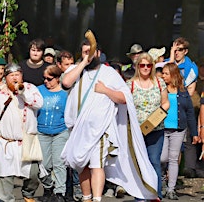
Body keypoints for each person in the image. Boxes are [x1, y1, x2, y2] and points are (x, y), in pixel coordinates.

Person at [61, 41, 159, 201]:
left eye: (91, 52)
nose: (89, 55)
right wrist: (84, 62)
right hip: (78, 129)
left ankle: (97, 198)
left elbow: (124, 98)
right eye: (85, 52)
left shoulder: (109, 73)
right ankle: (86, 198)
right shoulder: (75, 70)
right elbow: (65, 83)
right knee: (81, 164)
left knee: (96, 164)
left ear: (99, 53)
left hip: (100, 129)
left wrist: (105, 90)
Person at [0, 63, 44, 202]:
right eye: (11, 75)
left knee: (33, 173)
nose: (15, 77)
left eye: (17, 74)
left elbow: (38, 103)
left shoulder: (30, 88)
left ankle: (28, 193)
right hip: (5, 142)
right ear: (6, 77)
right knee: (4, 176)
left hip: (26, 142)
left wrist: (22, 93)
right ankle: (6, 199)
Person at [126, 52, 169, 199]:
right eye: (142, 65)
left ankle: (155, 194)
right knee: (139, 163)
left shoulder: (159, 82)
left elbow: (166, 102)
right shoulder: (130, 84)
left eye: (149, 65)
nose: (145, 68)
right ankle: (140, 195)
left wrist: (160, 114)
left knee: (154, 161)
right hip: (137, 131)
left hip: (156, 129)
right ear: (138, 66)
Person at [161, 63, 199, 200]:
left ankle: (171, 189)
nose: (163, 76)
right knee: (162, 157)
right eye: (162, 73)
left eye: (166, 73)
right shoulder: (161, 89)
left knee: (173, 158)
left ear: (173, 75)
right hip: (162, 129)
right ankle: (162, 181)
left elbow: (190, 113)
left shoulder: (183, 92)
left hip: (179, 129)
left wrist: (194, 133)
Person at [37, 65, 68, 202]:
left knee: (59, 163)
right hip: (42, 131)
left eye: (49, 79)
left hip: (60, 131)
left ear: (57, 78)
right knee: (44, 165)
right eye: (44, 78)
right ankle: (48, 186)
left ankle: (60, 192)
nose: (46, 82)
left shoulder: (65, 94)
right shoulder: (39, 91)